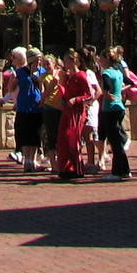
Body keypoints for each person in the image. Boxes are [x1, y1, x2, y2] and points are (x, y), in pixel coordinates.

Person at [52, 49, 96, 180]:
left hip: (77, 112)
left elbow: (90, 94)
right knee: (63, 138)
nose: (65, 63)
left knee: (73, 140)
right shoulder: (69, 76)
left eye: (67, 60)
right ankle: (66, 169)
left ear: (74, 61)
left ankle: (77, 168)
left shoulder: (81, 75)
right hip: (67, 111)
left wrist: (76, 99)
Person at [95, 48, 133, 181]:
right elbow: (131, 82)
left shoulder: (106, 73)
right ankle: (124, 170)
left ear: (106, 59)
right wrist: (119, 92)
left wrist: (108, 94)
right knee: (116, 141)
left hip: (109, 109)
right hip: (119, 108)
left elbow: (104, 87)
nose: (99, 59)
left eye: (101, 57)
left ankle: (118, 172)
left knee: (115, 142)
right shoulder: (118, 72)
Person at [8, 48, 45, 172]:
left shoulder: (42, 71)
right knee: (25, 134)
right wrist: (13, 81)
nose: (38, 62)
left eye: (40, 60)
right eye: (36, 60)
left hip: (36, 108)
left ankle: (33, 160)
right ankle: (27, 160)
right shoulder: (21, 72)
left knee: (35, 135)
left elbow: (44, 87)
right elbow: (12, 88)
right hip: (24, 107)